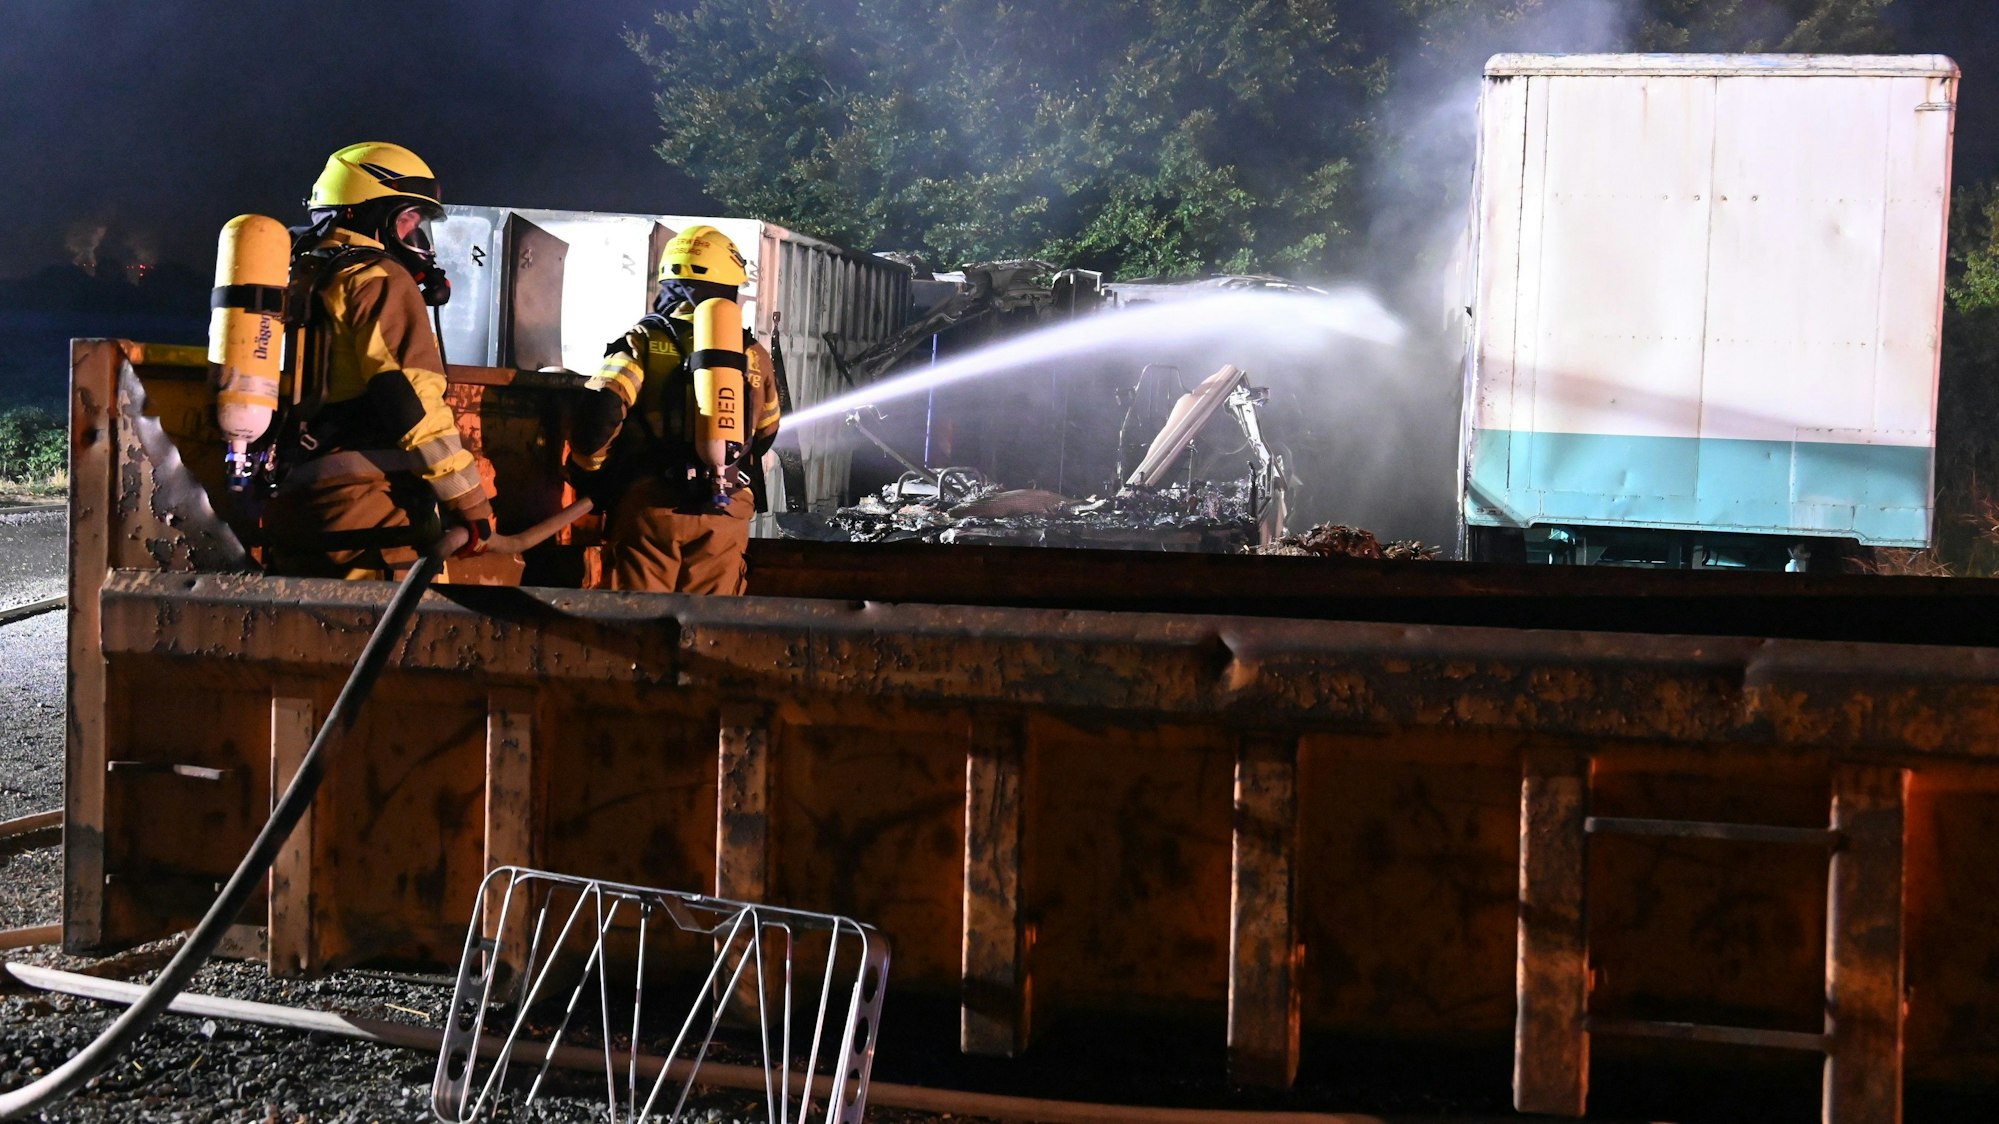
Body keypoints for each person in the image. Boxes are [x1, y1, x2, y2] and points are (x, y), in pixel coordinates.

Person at [262, 142, 494, 578]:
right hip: (373, 513)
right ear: (369, 213)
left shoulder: (300, 276)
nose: (413, 235)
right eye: (407, 219)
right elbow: (411, 402)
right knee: (395, 640)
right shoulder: (378, 278)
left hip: (298, 502)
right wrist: (469, 503)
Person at [568, 224, 780, 594]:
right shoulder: (751, 353)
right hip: (725, 508)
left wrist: (590, 472)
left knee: (636, 626)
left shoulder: (644, 340)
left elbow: (602, 412)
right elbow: (767, 431)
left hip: (651, 505)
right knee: (710, 629)